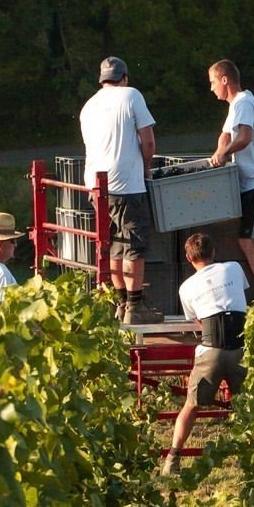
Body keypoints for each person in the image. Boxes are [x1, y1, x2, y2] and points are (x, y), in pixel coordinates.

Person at [80, 56, 163, 324]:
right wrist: (146, 166)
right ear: (124, 77)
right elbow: (147, 140)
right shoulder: (131, 95)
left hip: (96, 185)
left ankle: (121, 303)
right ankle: (135, 307)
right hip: (126, 183)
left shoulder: (88, 106)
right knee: (133, 246)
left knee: (115, 244)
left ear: (102, 79)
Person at [163, 233, 249, 475]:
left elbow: (198, 320)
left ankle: (172, 458)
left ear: (189, 258)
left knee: (191, 406)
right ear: (214, 253)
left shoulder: (186, 287)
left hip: (211, 350)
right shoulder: (233, 268)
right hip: (241, 349)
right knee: (248, 405)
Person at [207, 59, 254, 298]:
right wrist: (220, 151)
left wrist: (224, 153)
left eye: (213, 82)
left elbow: (245, 136)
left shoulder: (244, 102)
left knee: (250, 242)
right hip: (249, 183)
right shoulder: (236, 105)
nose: (211, 88)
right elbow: (225, 135)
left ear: (224, 80)